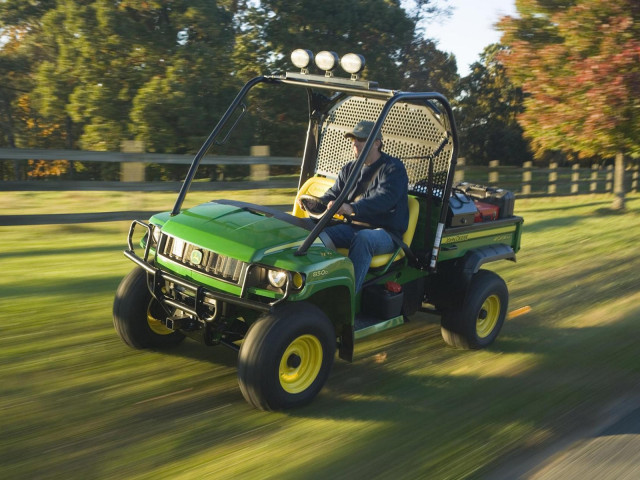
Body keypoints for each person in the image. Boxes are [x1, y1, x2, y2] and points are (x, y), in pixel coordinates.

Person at [318, 120, 409, 293]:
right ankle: (319, 287)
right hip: (352, 227)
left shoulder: (392, 168)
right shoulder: (350, 169)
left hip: (386, 233)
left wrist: (353, 208)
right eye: (353, 139)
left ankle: (349, 297)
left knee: (364, 239)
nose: (355, 143)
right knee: (317, 234)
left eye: (361, 139)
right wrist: (317, 202)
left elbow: (385, 199)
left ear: (376, 143)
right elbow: (334, 193)